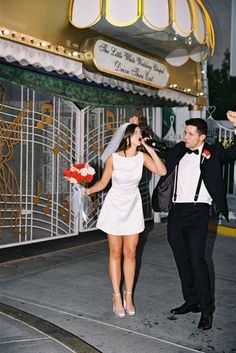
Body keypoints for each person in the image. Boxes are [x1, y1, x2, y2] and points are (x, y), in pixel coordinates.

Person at [152, 113, 236, 330]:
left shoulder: (214, 152)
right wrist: (142, 137)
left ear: (202, 137)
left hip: (199, 212)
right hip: (177, 212)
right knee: (181, 258)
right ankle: (191, 301)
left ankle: (207, 310)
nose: (185, 137)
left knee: (198, 260)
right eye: (185, 133)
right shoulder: (179, 149)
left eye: (190, 134)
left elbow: (233, 153)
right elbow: (160, 149)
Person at [85, 122, 166, 318]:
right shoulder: (113, 158)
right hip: (114, 206)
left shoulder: (142, 156)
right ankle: (116, 296)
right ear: (127, 136)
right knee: (115, 252)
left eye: (141, 133)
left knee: (130, 253)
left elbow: (162, 171)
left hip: (132, 206)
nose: (140, 135)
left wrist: (149, 147)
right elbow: (103, 183)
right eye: (137, 132)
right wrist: (86, 190)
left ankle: (128, 297)